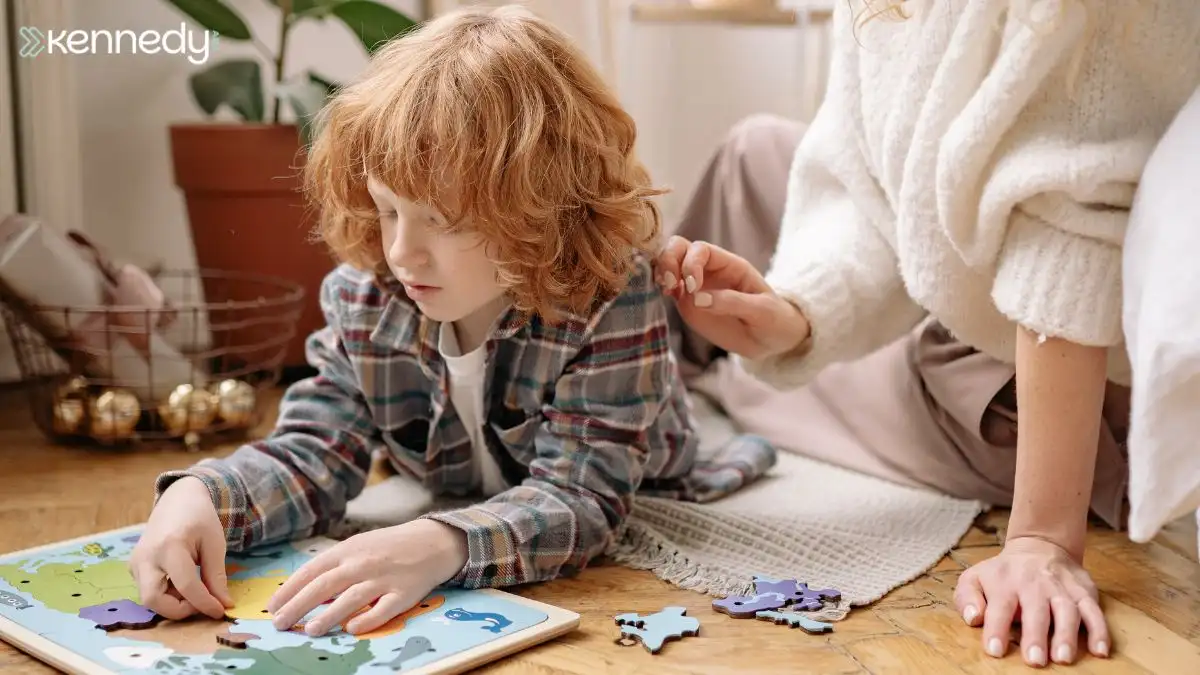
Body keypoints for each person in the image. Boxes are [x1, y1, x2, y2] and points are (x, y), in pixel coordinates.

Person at [129, 5, 775, 639]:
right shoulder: (367, 296)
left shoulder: (612, 293)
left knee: (714, 415)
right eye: (387, 209)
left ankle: (720, 392)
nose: (403, 252)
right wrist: (203, 495)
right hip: (466, 479)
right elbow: (314, 448)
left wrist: (438, 542)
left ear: (542, 208)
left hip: (647, 461)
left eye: (444, 220)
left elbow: (581, 499)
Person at [656, 0, 1200, 669]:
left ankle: (709, 386)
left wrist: (1042, 540)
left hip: (1072, 372)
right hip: (966, 288)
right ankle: (670, 376)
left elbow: (1075, 231)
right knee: (751, 151)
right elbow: (874, 180)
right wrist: (796, 314)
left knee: (907, 373)